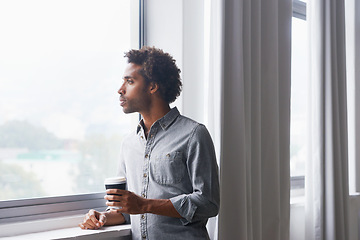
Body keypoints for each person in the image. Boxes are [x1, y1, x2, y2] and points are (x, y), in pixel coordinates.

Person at [79, 46, 220, 239]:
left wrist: (145, 205)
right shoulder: (129, 144)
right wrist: (102, 217)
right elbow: (127, 210)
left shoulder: (194, 134)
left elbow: (207, 203)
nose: (120, 90)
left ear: (152, 86)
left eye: (130, 81)